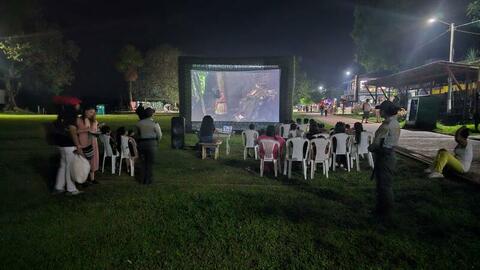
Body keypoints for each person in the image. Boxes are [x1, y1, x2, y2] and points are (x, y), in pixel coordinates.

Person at [368, 100, 401, 219]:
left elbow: (382, 145)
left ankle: (385, 213)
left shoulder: (389, 125)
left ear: (385, 111)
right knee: (382, 185)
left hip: (385, 157)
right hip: (386, 156)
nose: (379, 111)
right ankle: (381, 210)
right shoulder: (392, 122)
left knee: (384, 186)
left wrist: (372, 147)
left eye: (381, 109)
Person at [53, 106, 84, 195]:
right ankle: (71, 189)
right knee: (69, 167)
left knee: (63, 166)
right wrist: (78, 145)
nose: (78, 106)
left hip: (61, 144)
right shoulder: (71, 119)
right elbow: (73, 133)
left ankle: (59, 187)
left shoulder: (62, 118)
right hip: (69, 145)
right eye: (77, 105)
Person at [136, 107, 162, 185]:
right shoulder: (155, 124)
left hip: (141, 143)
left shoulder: (139, 123)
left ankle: (142, 179)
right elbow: (159, 135)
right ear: (152, 115)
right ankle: (148, 180)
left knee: (143, 162)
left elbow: (137, 134)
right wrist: (157, 141)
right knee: (149, 162)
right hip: (151, 143)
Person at [76, 106, 99, 184]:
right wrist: (85, 130)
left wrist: (97, 132)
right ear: (86, 111)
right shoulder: (79, 120)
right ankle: (84, 179)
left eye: (93, 112)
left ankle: (92, 178)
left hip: (93, 141)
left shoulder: (94, 121)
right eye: (91, 112)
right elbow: (75, 131)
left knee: (93, 158)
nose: (92, 114)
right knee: (84, 159)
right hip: (84, 141)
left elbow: (95, 130)